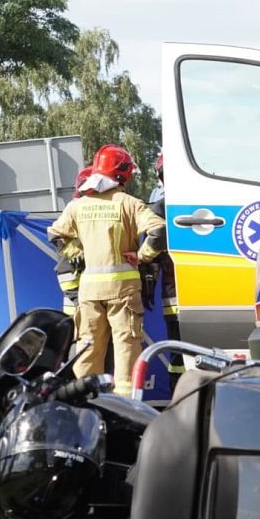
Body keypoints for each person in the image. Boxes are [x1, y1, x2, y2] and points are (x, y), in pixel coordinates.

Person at [48, 144, 166, 393]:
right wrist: (142, 256)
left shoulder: (77, 206)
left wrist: (76, 254)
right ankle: (124, 406)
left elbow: (56, 234)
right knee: (126, 347)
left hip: (89, 292)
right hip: (123, 291)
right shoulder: (130, 204)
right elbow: (159, 231)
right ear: (123, 174)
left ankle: (85, 402)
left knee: (88, 348)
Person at [144, 152, 185, 391]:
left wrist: (146, 273)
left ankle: (179, 394)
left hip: (175, 293)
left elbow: (153, 251)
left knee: (178, 350)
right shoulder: (203, 203)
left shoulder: (159, 208)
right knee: (179, 352)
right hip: (187, 294)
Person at [54, 167, 94, 323]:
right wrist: (78, 301)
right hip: (79, 307)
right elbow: (64, 270)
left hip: (90, 303)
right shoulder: (75, 212)